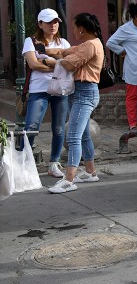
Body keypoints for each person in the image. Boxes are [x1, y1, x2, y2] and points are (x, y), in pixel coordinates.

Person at [45, 13, 105, 194]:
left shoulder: (91, 45)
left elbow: (70, 64)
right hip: (81, 93)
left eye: (73, 27)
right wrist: (47, 50)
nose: (73, 31)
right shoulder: (88, 44)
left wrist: (54, 61)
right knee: (84, 135)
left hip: (85, 94)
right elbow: (67, 51)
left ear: (81, 29)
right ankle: (90, 171)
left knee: (73, 136)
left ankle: (69, 179)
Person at [22, 8, 71, 178]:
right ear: (40, 24)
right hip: (39, 90)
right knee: (31, 127)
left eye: (56, 21)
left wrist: (49, 63)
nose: (53, 25)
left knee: (58, 128)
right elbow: (33, 64)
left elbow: (69, 64)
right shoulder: (31, 41)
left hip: (60, 90)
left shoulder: (64, 43)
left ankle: (54, 163)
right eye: (49, 22)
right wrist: (57, 64)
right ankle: (22, 162)